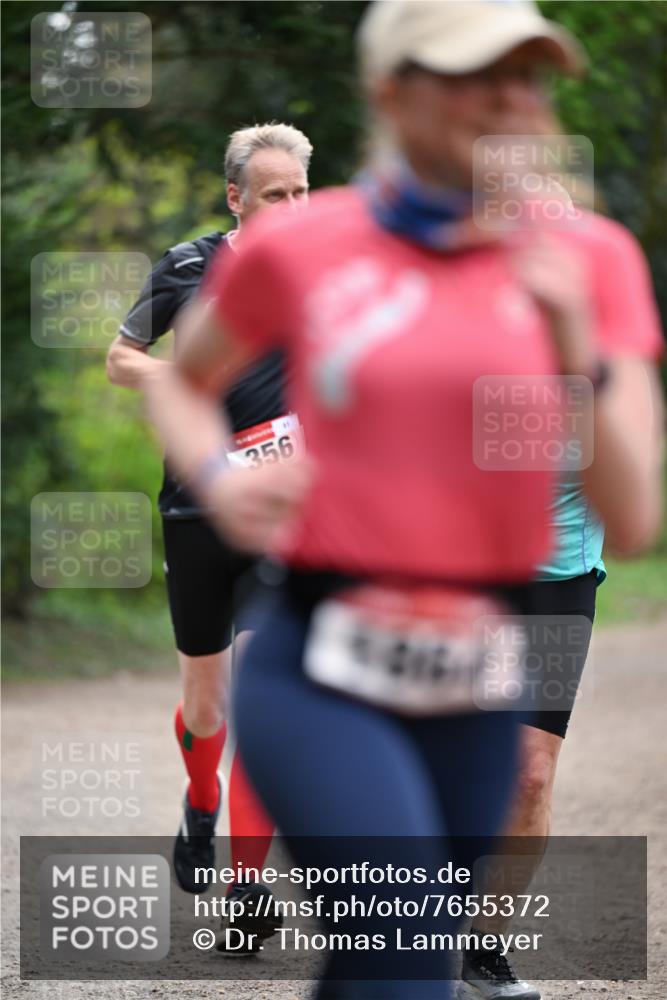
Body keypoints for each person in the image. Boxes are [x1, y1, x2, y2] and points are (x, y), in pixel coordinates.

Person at [145, 2, 663, 997]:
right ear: (392, 93)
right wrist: (219, 481)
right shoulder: (305, 245)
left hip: (475, 665)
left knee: (397, 961)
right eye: (475, 78)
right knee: (396, 944)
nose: (511, 101)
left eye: (528, 76)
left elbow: (632, 516)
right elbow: (177, 381)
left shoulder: (593, 260)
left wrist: (574, 354)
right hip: (321, 645)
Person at [106, 123, 312, 940]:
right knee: (207, 702)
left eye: (302, 192)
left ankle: (245, 889)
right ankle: (200, 801)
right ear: (236, 198)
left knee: (261, 701)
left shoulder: (328, 272)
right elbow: (120, 359)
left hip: (282, 515)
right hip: (195, 509)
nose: (293, 209)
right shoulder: (189, 267)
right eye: (274, 196)